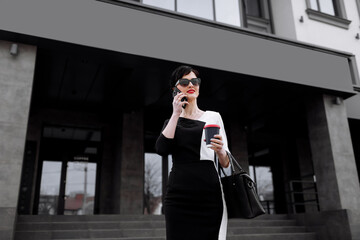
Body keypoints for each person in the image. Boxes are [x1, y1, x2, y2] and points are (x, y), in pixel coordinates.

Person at [155, 65, 231, 240]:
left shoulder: (213, 117)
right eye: (184, 81)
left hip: (209, 194)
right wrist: (176, 114)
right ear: (175, 89)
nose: (191, 84)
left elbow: (226, 163)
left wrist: (220, 151)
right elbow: (161, 149)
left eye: (195, 81)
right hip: (178, 196)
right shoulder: (171, 121)